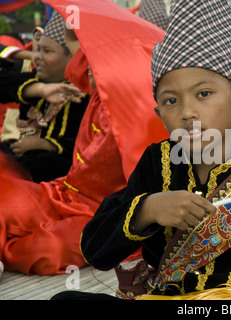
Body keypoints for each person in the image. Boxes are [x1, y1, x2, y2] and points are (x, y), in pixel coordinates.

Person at [75, 0, 231, 301]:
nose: (187, 113)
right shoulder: (158, 162)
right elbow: (94, 250)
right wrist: (148, 209)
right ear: (158, 114)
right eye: (171, 101)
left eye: (203, 94)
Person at [0, 0, 167, 276]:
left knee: (43, 248)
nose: (88, 64)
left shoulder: (135, 105)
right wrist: (79, 16)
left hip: (101, 214)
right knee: (6, 199)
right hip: (62, 192)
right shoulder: (93, 92)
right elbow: (76, 60)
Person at [0, 12, 90, 183]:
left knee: (43, 163)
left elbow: (89, 147)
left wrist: (45, 144)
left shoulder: (83, 92)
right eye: (38, 49)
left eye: (47, 51)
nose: (37, 57)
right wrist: (40, 89)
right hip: (27, 154)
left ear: (71, 57)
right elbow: (4, 84)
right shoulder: (33, 79)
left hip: (61, 167)